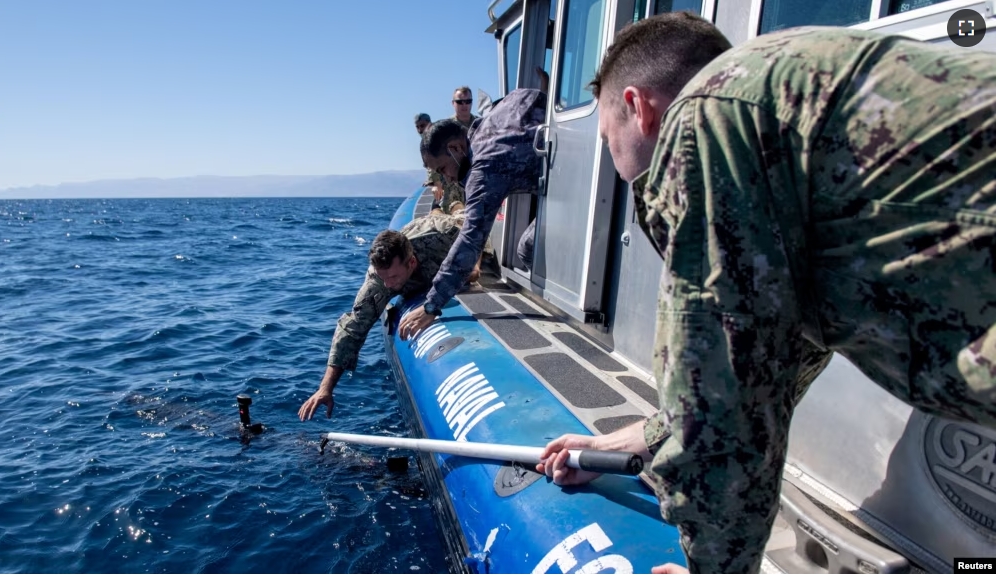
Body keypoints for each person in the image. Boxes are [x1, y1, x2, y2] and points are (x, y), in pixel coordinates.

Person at [536, 12, 996, 574]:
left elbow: (724, 400)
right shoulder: (790, 109)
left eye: (608, 137)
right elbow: (774, 367)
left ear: (638, 107)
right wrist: (626, 447)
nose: (614, 160)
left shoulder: (704, 119)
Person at [298, 213, 479, 421]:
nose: (388, 285)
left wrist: (473, 265)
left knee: (471, 269)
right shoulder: (379, 280)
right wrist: (325, 388)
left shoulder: (441, 236)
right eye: (383, 277)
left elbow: (473, 231)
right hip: (414, 258)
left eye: (393, 277)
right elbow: (352, 328)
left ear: (411, 263)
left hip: (447, 224)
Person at [399, 89, 547, 339]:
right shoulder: (485, 125)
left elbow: (470, 240)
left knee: (526, 250)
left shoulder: (483, 172)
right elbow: (528, 94)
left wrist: (432, 305)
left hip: (575, 184)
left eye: (443, 168)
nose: (446, 177)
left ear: (456, 147)